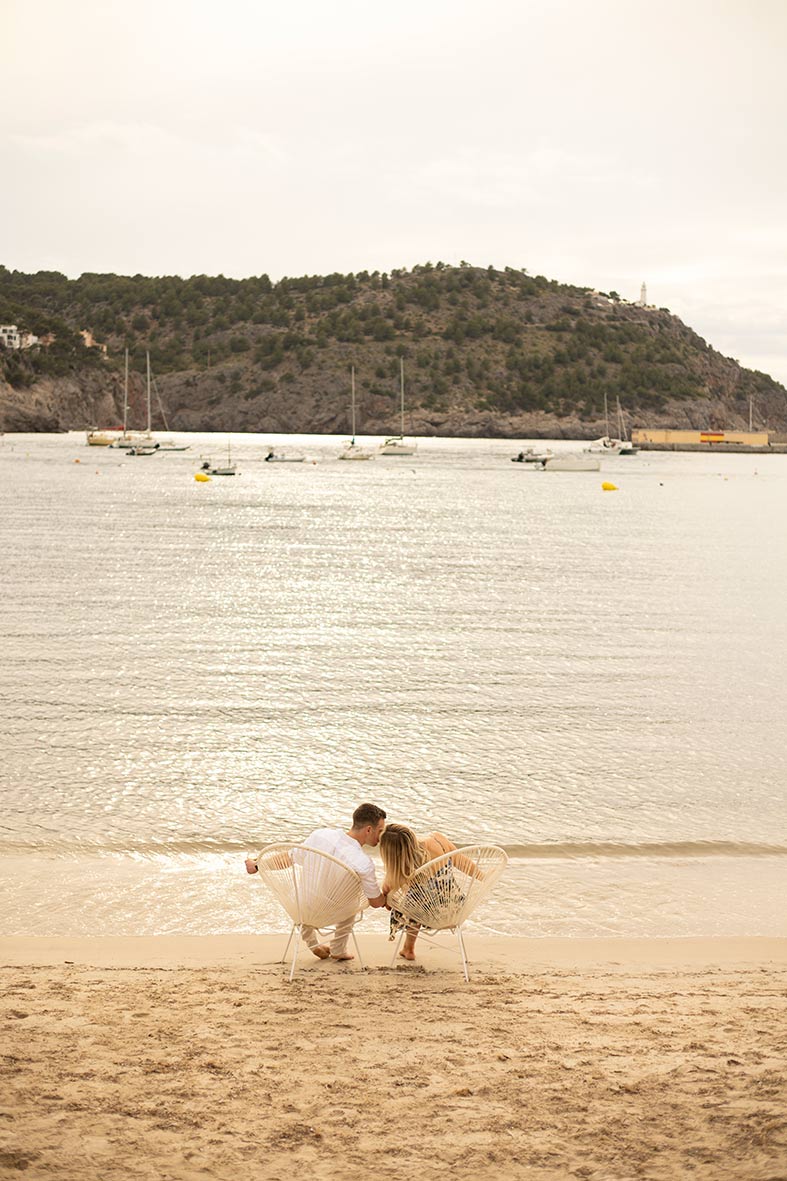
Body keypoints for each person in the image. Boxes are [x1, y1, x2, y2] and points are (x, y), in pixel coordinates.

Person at [245, 803, 388, 961]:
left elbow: (288, 858)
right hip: (331, 914)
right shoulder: (363, 862)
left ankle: (313, 944)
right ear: (368, 829)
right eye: (380, 831)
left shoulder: (321, 835)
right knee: (355, 901)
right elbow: (375, 902)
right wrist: (388, 896)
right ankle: (338, 948)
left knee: (306, 892)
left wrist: (258, 864)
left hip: (299, 907)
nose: (382, 836)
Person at [379, 824, 477, 962]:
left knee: (413, 901)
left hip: (425, 916)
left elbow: (387, 897)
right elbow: (463, 862)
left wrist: (387, 901)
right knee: (419, 899)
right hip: (454, 910)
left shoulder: (401, 868)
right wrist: (483, 877)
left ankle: (409, 948)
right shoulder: (438, 840)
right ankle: (408, 948)